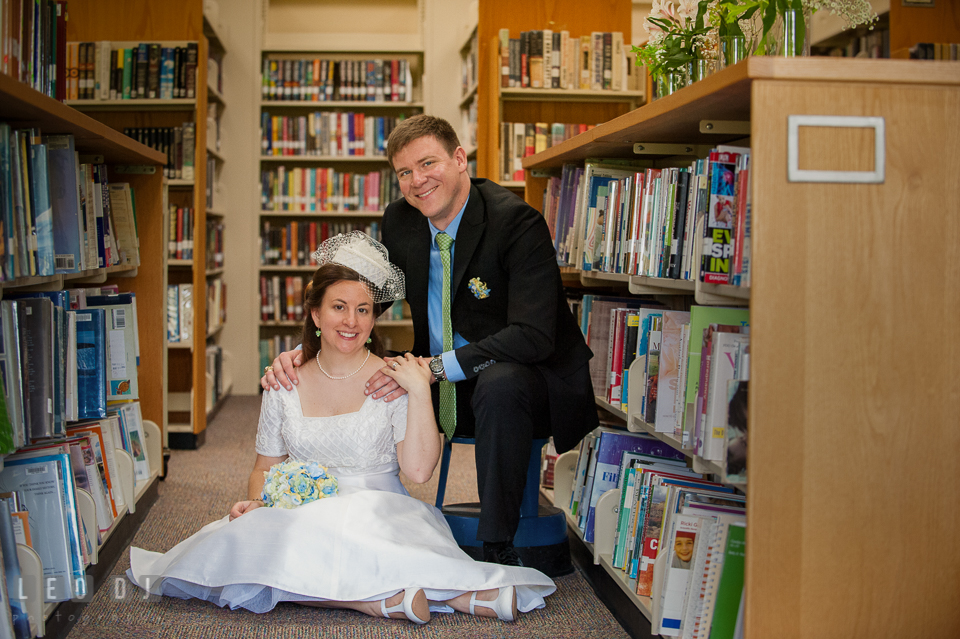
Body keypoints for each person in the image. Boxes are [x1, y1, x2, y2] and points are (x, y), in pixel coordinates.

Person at [128, 233, 555, 623]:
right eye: (339, 307)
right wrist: (259, 500)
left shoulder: (392, 379)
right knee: (250, 534)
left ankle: (420, 594)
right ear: (315, 313)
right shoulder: (285, 381)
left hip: (378, 505)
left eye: (363, 310)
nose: (351, 321)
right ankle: (388, 599)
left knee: (343, 538)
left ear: (373, 320)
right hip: (304, 512)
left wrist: (420, 390)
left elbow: (420, 472)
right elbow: (264, 466)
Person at [263, 115, 598, 567]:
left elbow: (534, 336)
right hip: (440, 369)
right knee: (383, 376)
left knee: (501, 383)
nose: (418, 181)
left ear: (460, 159)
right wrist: (311, 347)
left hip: (530, 378)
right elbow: (364, 302)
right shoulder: (401, 221)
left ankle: (497, 545)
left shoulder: (516, 223)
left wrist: (435, 368)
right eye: (405, 172)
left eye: (428, 163)